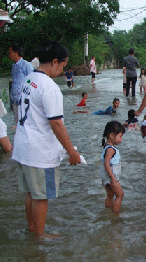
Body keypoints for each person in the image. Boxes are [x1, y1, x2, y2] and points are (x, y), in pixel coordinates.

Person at [11, 41, 81, 238]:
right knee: (41, 197)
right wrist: (72, 152)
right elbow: (57, 124)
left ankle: (32, 230)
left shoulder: (28, 79)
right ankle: (39, 239)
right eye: (63, 66)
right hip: (40, 152)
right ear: (55, 62)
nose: (62, 70)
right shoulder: (48, 86)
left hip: (23, 147)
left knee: (31, 193)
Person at [100, 121, 125, 215]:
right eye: (120, 136)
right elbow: (107, 163)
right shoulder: (111, 149)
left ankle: (108, 212)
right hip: (111, 177)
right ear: (111, 135)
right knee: (120, 195)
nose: (121, 139)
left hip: (106, 177)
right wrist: (113, 177)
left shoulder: (106, 147)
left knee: (110, 195)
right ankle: (116, 215)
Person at [8, 44, 34, 126]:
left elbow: (32, 80)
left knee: (25, 122)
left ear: (16, 53)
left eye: (10, 52)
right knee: (17, 122)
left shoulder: (26, 65)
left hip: (23, 98)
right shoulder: (14, 66)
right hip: (14, 98)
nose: (8, 55)